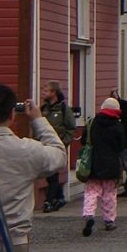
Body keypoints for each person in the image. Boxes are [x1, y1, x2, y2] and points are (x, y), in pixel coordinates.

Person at [0, 85, 67, 252]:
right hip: (14, 239)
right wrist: (38, 120)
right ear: (12, 113)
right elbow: (59, 155)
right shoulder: (26, 150)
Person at [81, 97, 126, 236]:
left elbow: (84, 140)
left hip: (94, 162)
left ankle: (89, 215)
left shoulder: (92, 123)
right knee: (109, 193)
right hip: (111, 163)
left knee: (91, 191)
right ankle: (109, 221)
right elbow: (121, 146)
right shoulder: (118, 126)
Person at [39, 80, 75, 212]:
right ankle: (60, 197)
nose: (43, 92)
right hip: (44, 147)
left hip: (57, 146)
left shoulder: (64, 109)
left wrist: (64, 142)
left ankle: (48, 201)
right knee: (49, 174)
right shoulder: (44, 109)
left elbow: (71, 128)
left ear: (54, 92)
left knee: (53, 174)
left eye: (46, 90)